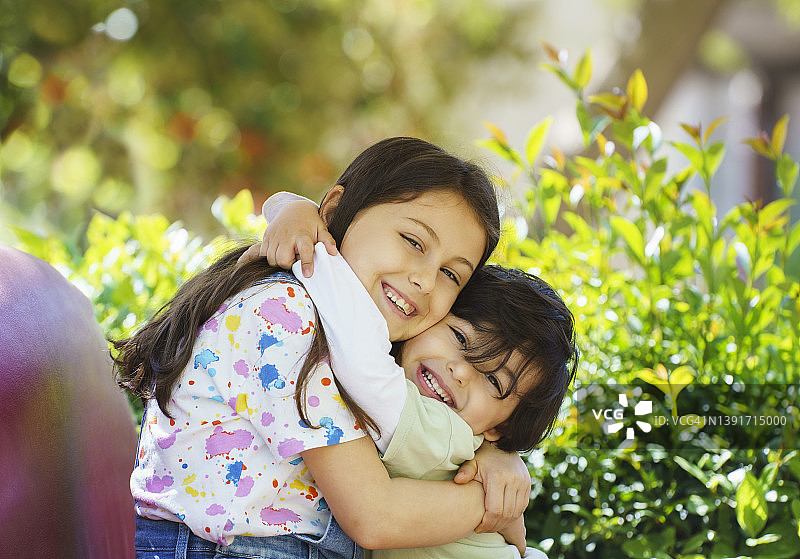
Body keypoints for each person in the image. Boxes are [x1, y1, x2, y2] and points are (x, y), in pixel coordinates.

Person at [113, 137, 530, 559]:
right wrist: (494, 504)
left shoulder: (359, 342)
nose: (425, 279)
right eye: (414, 241)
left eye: (451, 274)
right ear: (332, 212)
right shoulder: (285, 314)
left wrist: (496, 457)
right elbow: (374, 516)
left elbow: (419, 439)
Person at [250, 196, 577, 559]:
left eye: (495, 382)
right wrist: (295, 209)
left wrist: (313, 248)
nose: (460, 371)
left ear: (498, 430)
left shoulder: (438, 429)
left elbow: (360, 355)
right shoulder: (443, 433)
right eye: (460, 338)